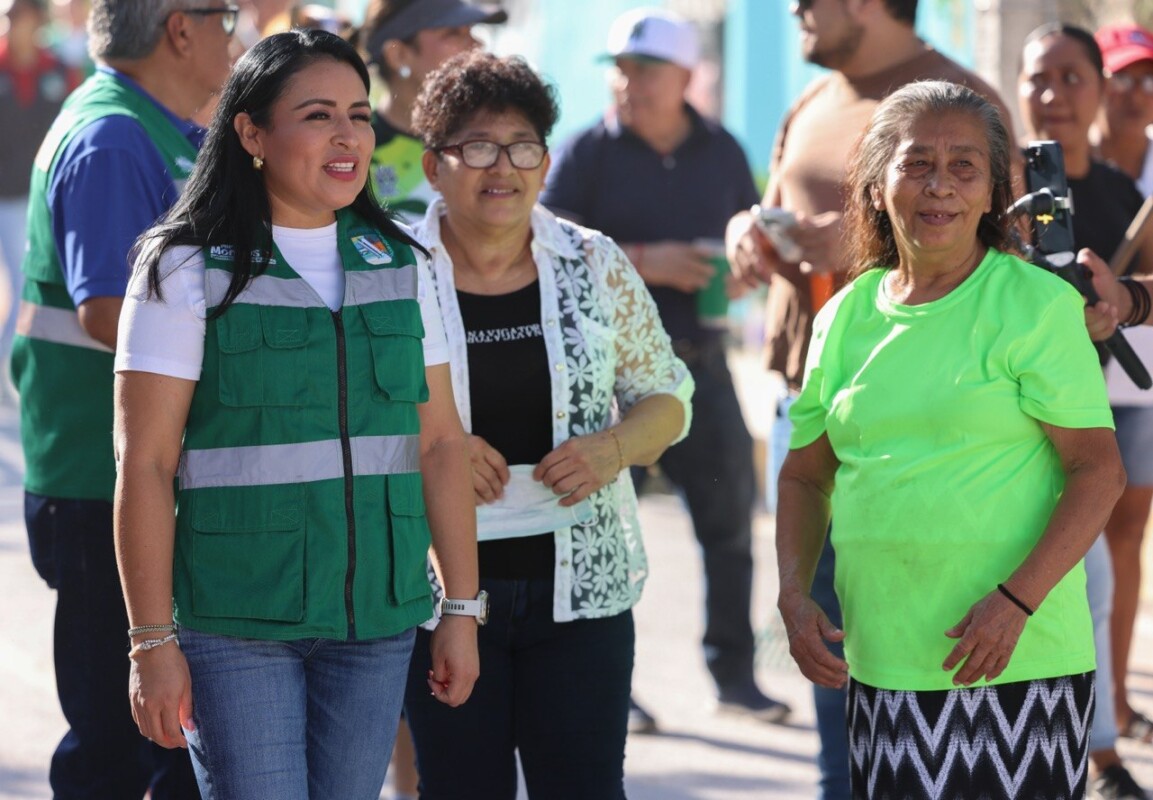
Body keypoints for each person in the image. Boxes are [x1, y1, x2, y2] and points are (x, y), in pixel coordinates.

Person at [113, 29, 480, 799]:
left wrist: (461, 608)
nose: (347, 136)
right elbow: (143, 462)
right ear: (250, 132)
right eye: (317, 115)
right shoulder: (184, 264)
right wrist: (150, 641)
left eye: (359, 113)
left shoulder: (408, 263)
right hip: (234, 621)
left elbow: (442, 447)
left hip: (375, 621)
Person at [778, 78, 1123, 800]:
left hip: (1018, 665)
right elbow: (805, 476)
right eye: (916, 164)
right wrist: (792, 591)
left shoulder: (1033, 306)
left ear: (994, 193)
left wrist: (1015, 603)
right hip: (883, 665)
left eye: (964, 166)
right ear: (875, 186)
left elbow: (1097, 473)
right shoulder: (842, 318)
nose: (939, 187)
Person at [723, 1, 1019, 794]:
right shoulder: (810, 101)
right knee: (827, 651)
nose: (794, 12)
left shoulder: (958, 102)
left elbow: (1002, 259)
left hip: (923, 420)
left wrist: (858, 250)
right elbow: (776, 204)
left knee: (911, 672)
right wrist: (744, 232)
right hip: (805, 401)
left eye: (808, 3)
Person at [401, 50, 692, 799]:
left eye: (522, 147)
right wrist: (432, 450)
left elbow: (668, 396)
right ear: (434, 167)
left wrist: (614, 447)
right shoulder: (390, 270)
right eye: (476, 148)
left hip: (581, 599)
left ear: (546, 159)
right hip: (435, 596)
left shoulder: (590, 263)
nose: (502, 167)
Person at [540, 5, 787, 731]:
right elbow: (544, 252)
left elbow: (750, 242)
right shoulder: (586, 152)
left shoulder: (722, 150)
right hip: (609, 382)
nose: (627, 83)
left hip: (702, 368)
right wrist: (646, 263)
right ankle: (610, 687)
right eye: (619, 69)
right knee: (602, 538)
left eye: (644, 69)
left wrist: (746, 273)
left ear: (685, 77)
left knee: (730, 528)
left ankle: (735, 677)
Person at [11, 1, 234, 796]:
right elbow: (107, 308)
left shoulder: (158, 126)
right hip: (97, 483)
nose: (235, 33)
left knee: (166, 740)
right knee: (118, 741)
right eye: (228, 14)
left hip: (125, 474)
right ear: (181, 27)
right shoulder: (112, 136)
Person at [1018, 23, 1153, 800]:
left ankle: (1094, 745)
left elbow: (1134, 294)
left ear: (1097, 91)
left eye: (1073, 78)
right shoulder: (991, 192)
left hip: (1103, 409)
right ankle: (1087, 747)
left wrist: (1120, 308)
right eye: (1040, 78)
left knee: (1096, 569)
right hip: (1019, 421)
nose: (1054, 95)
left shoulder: (1116, 193)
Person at [1093, 21, 1153, 750]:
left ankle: (1112, 694)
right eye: (1122, 78)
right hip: (1070, 376)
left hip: (1140, 378)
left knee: (1125, 534)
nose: (1135, 94)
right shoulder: (1058, 171)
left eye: (1146, 79)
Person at [358, 0, 506, 222]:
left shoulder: (498, 139)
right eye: (453, 32)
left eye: (471, 30)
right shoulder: (354, 149)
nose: (477, 44)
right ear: (398, 55)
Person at [0, 0, 80, 378]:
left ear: (37, 19)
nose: (12, 22)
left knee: (23, 289)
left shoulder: (60, 70)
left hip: (34, 200)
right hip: (6, 197)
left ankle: (11, 367)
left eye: (20, 14)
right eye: (9, 14)